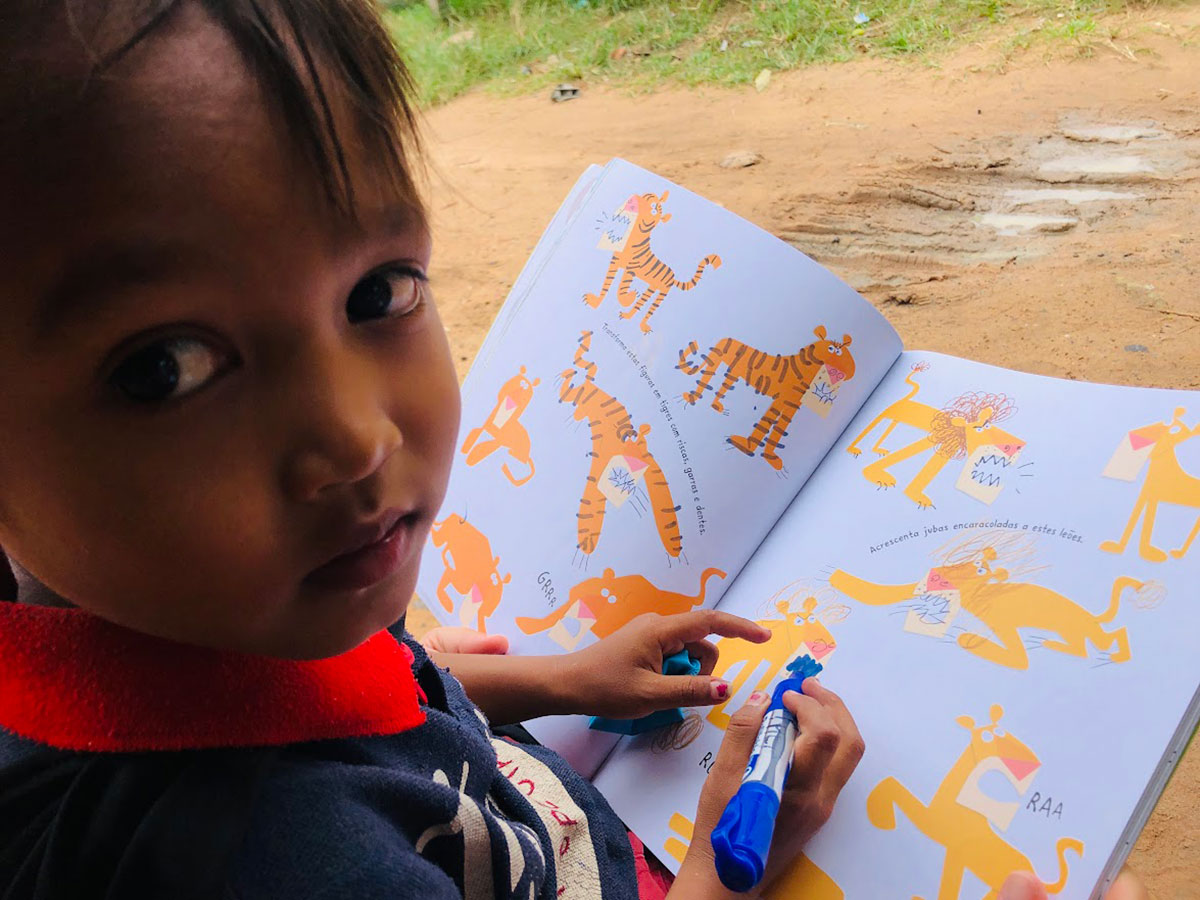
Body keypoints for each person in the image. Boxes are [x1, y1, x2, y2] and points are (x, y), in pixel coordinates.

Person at [0, 2, 1150, 898]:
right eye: (165, 368)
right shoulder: (281, 862)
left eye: (378, 292)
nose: (356, 437)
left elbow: (368, 684)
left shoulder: (216, 618)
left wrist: (561, 678)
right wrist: (725, 865)